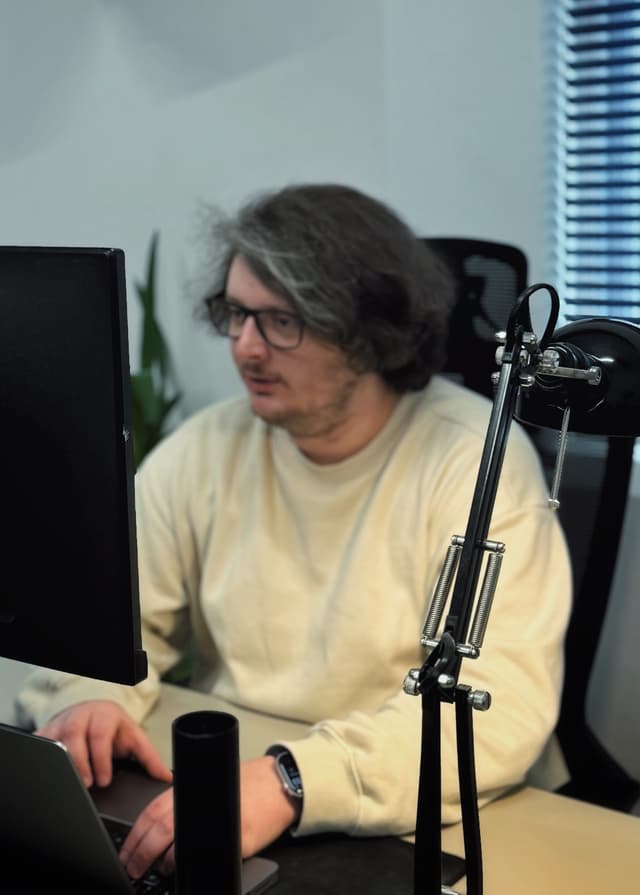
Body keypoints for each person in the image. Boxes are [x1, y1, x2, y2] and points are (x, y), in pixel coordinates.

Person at [16, 183, 572, 881]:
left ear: (369, 334)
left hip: (439, 814)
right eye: (237, 314)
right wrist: (89, 696)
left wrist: (292, 780)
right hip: (239, 784)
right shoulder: (206, 448)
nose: (246, 348)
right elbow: (109, 620)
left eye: (282, 321)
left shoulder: (475, 462)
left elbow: (498, 711)